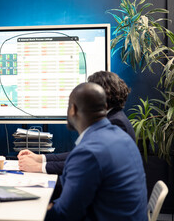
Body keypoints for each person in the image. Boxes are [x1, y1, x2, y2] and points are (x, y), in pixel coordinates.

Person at [45, 82, 147, 220]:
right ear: (105, 107)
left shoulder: (88, 152)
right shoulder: (122, 136)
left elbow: (64, 214)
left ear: (72, 110)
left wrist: (36, 209)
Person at [18, 71, 135, 174]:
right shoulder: (114, 118)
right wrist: (40, 158)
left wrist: (39, 167)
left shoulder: (115, 123)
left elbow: (84, 163)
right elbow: (80, 155)